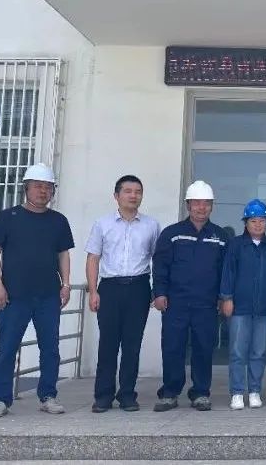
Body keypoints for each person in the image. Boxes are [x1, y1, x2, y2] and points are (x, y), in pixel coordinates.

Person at [0, 163, 74, 419]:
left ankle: (48, 396)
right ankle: (0, 399)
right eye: (38, 186)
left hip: (48, 295)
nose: (43, 191)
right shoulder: (8, 217)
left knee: (50, 348)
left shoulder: (58, 221)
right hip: (14, 295)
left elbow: (63, 254)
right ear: (26, 188)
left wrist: (66, 284)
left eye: (48, 187)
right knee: (7, 347)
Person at [85, 174, 160, 413]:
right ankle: (103, 396)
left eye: (138, 192)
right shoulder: (102, 224)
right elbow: (93, 258)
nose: (133, 196)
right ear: (116, 196)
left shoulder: (151, 225)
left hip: (138, 287)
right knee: (107, 343)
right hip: (109, 288)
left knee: (132, 344)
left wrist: (156, 289)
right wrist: (93, 291)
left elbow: (157, 259)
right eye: (128, 191)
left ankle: (127, 394)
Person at [152, 180, 229, 412]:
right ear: (188, 205)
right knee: (173, 347)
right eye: (197, 203)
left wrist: (223, 297)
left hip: (206, 303)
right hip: (175, 302)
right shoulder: (172, 234)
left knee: (203, 348)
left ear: (212, 206)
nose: (201, 207)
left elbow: (226, 270)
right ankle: (170, 392)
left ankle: (201, 393)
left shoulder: (220, 236)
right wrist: (159, 293)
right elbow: (160, 265)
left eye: (206, 203)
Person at [220, 199, 266, 410]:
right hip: (240, 307)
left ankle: (254, 391)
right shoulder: (236, 245)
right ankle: (237, 392)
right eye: (253, 221)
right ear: (246, 223)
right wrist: (227, 298)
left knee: (259, 351)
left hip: (264, 308)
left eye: (262, 220)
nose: (258, 224)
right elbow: (227, 272)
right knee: (237, 351)